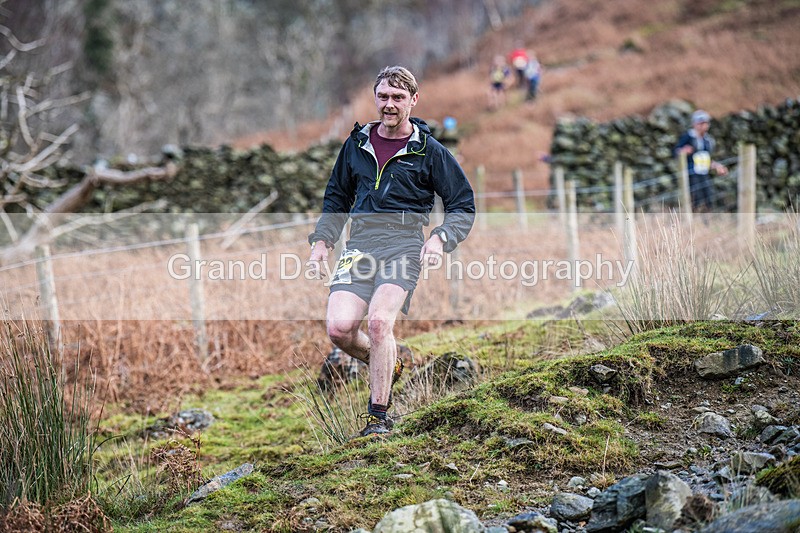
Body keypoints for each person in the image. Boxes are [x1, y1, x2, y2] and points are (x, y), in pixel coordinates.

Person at [307, 66, 475, 438]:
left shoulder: (429, 151)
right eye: (383, 96)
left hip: (403, 244)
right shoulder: (356, 145)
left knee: (380, 323)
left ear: (413, 101)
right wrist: (322, 242)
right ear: (375, 98)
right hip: (361, 244)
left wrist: (440, 238)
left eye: (398, 98)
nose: (389, 104)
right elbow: (337, 197)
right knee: (338, 329)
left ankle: (378, 418)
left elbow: (462, 204)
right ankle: (386, 362)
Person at [673, 110, 728, 211]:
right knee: (694, 199)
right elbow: (676, 152)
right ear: (695, 124)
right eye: (701, 123)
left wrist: (717, 166)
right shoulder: (688, 137)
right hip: (691, 174)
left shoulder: (708, 140)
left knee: (709, 198)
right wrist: (683, 151)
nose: (704, 126)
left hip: (704, 174)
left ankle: (706, 222)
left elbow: (707, 158)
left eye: (706, 123)